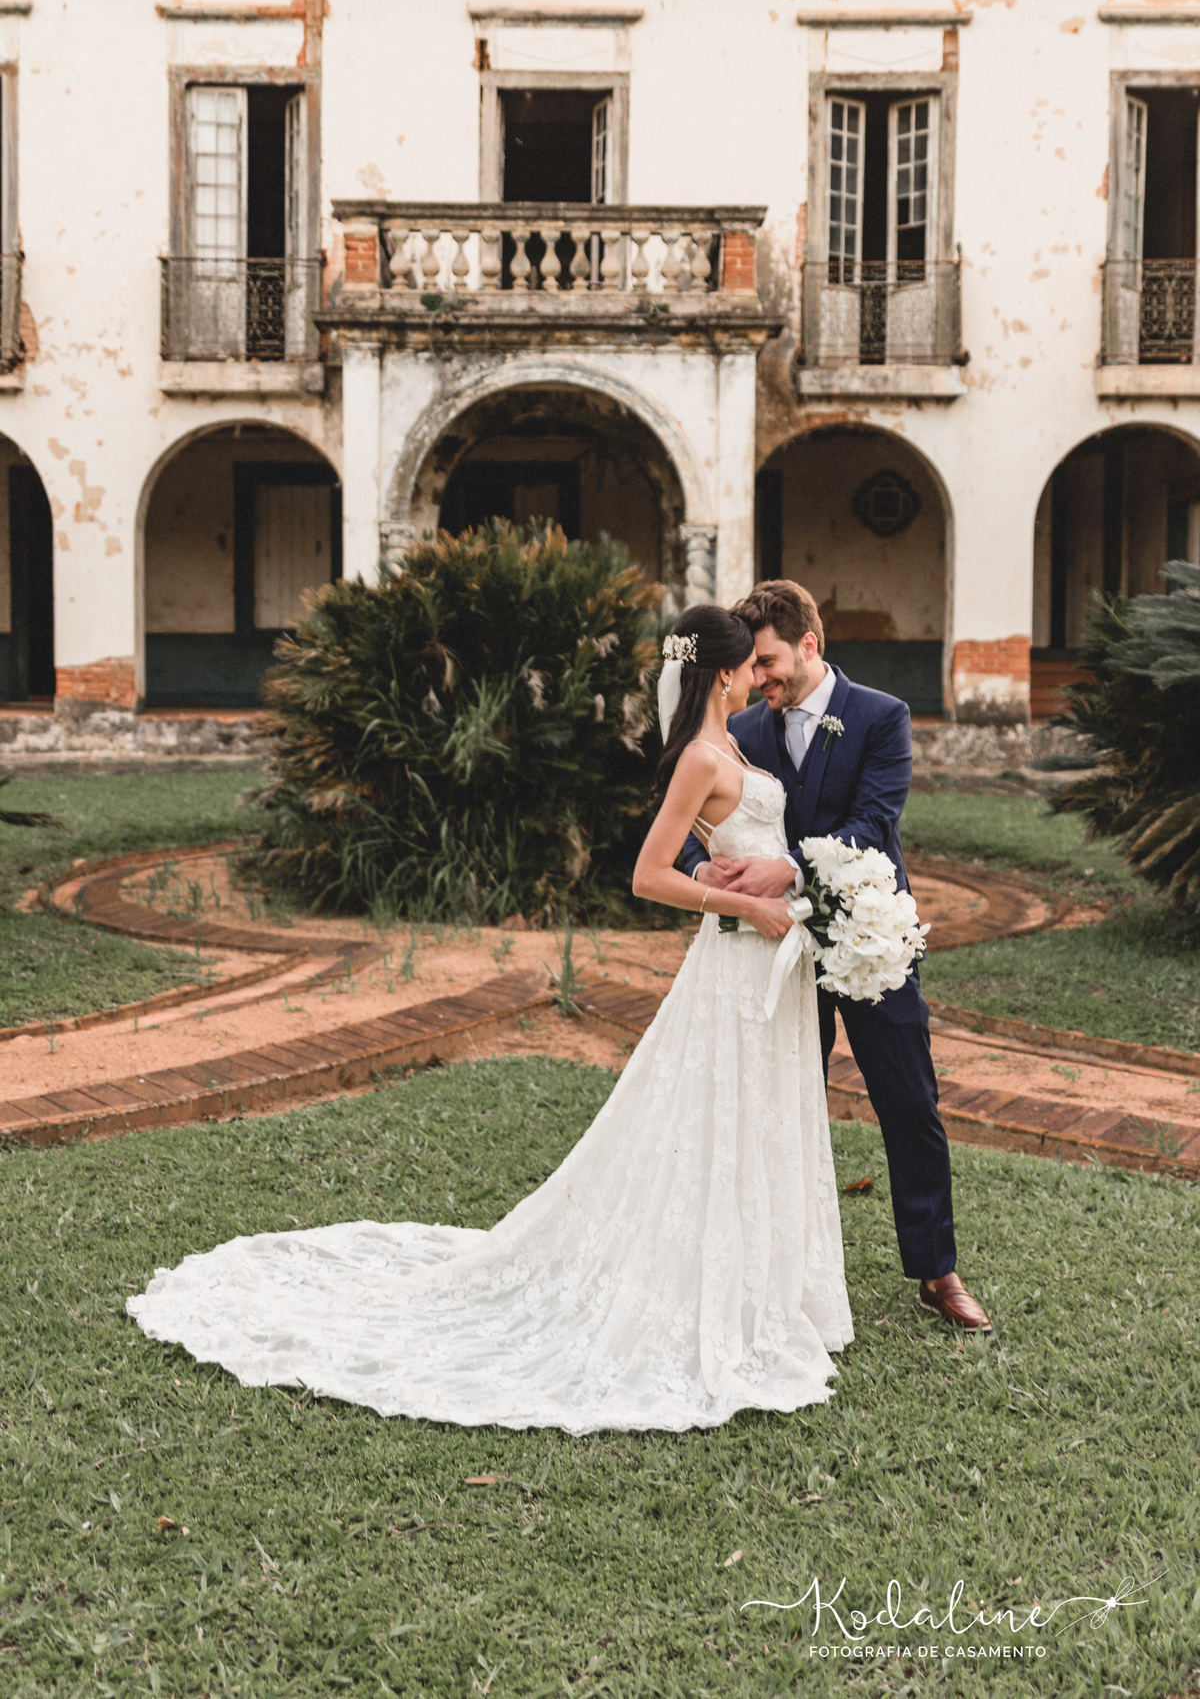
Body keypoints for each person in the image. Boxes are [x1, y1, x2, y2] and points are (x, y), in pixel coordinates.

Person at [126, 604, 856, 1434]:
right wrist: (738, 902)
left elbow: (749, 842)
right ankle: (707, 1294)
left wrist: (783, 883)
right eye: (751, 667)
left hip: (770, 959)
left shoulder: (732, 744)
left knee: (757, 1119)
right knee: (714, 1115)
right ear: (723, 672)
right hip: (735, 959)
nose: (765, 677)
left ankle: (756, 1286)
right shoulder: (700, 756)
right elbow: (649, 876)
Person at [680, 579, 991, 1333]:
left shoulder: (882, 716)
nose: (760, 678)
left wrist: (789, 868)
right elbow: (693, 823)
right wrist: (699, 869)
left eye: (771, 661)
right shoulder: (743, 729)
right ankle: (783, 1265)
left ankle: (936, 1270)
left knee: (909, 1102)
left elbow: (875, 824)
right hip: (770, 950)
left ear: (810, 644)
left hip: (864, 938)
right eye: (752, 667)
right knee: (784, 1102)